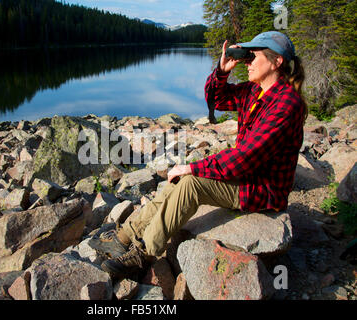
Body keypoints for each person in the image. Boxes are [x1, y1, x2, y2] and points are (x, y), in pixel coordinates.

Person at [92, 31, 307, 279]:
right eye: (246, 57)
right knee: (179, 181)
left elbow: (246, 157)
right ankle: (124, 236)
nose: (247, 62)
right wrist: (222, 71)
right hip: (246, 175)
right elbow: (216, 99)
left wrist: (193, 168)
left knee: (191, 184)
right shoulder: (254, 91)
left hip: (262, 188)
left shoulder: (286, 104)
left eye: (252, 56)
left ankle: (143, 253)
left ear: (277, 61)